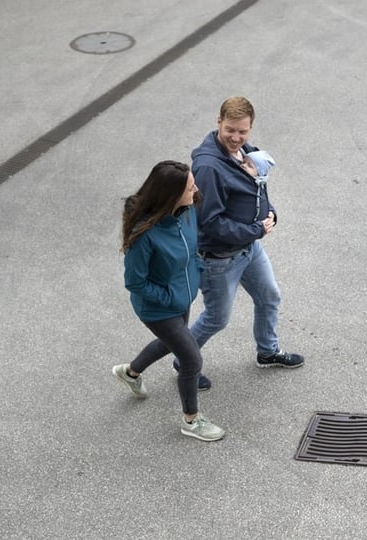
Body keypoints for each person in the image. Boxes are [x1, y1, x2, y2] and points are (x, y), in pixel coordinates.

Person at [183, 96, 304, 382]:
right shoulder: (209, 168)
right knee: (216, 319)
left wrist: (270, 213)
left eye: (243, 131)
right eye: (230, 130)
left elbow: (255, 192)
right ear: (218, 123)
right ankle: (184, 362)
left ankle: (267, 351)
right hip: (219, 259)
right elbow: (209, 224)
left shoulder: (245, 152)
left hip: (248, 249)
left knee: (269, 296)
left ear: (250, 128)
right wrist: (257, 230)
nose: (236, 137)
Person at [112, 160, 225, 442]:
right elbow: (135, 282)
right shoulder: (145, 235)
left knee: (170, 342)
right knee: (190, 359)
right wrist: (170, 297)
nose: (196, 190)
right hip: (157, 309)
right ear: (171, 195)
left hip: (181, 297)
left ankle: (130, 372)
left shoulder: (186, 212)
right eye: (190, 187)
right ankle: (192, 420)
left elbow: (192, 247)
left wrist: (196, 269)